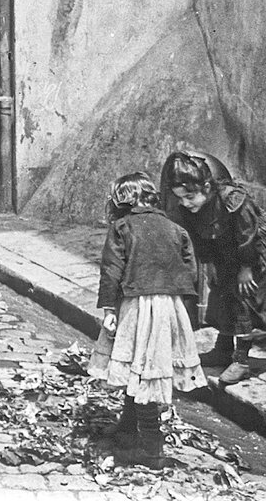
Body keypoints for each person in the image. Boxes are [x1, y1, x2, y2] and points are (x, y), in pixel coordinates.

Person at [87, 172, 206, 469]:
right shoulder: (175, 228)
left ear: (123, 200)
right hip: (169, 307)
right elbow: (192, 272)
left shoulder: (122, 227)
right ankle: (128, 428)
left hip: (137, 306)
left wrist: (109, 310)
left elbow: (112, 270)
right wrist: (185, 312)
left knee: (141, 370)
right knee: (144, 368)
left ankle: (152, 451)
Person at [161, 151, 266, 385]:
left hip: (254, 253)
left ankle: (241, 360)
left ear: (207, 186)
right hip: (226, 252)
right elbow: (199, 238)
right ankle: (223, 349)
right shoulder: (190, 208)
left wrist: (246, 268)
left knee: (243, 301)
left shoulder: (233, 201)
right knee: (222, 296)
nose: (185, 203)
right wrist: (209, 262)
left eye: (190, 196)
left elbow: (248, 236)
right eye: (180, 198)